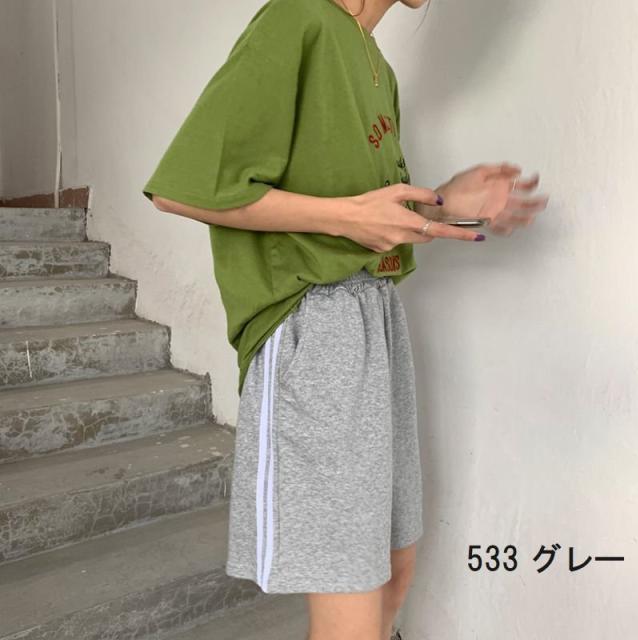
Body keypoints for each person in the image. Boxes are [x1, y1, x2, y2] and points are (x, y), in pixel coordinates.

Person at [142, 0, 549, 638]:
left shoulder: (376, 63)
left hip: (377, 320)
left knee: (394, 567)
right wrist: (348, 217)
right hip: (313, 328)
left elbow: (369, 217)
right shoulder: (297, 18)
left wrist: (442, 203)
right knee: (350, 597)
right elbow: (183, 188)